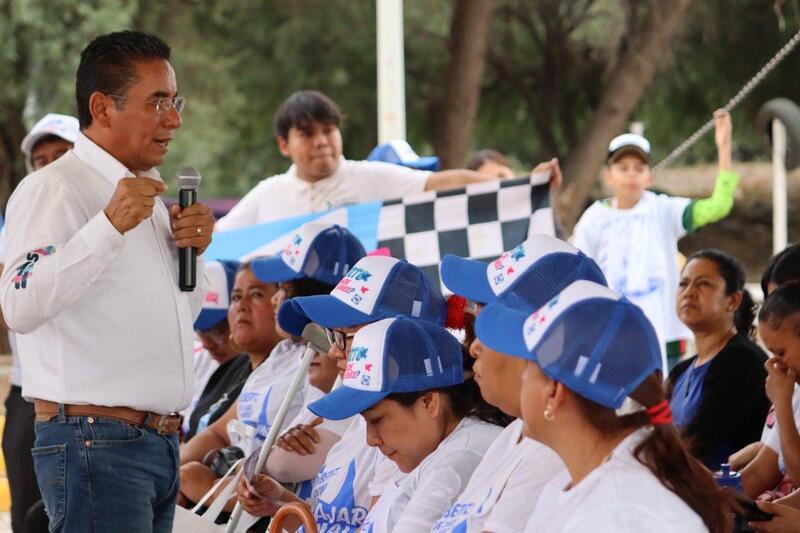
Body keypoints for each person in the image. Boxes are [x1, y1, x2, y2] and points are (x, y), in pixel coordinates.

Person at [0, 31, 215, 532]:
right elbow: (18, 304)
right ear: (103, 107)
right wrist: (107, 228)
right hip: (94, 442)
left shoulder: (149, 197)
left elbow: (179, 320)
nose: (174, 120)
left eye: (175, 100)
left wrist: (193, 258)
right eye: (157, 102)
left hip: (155, 444)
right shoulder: (53, 188)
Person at [477, 280, 736, 532]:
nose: (522, 378)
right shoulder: (581, 483)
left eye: (529, 367)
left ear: (554, 392)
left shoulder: (618, 513)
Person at [234, 255, 448, 531]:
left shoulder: (410, 434)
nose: (334, 351)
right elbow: (331, 523)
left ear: (398, 336)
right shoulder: (363, 421)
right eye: (332, 335)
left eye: (345, 336)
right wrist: (280, 503)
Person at [179, 222, 365, 506]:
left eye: (285, 288)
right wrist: (180, 473)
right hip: (254, 501)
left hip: (275, 510)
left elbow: (284, 463)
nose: (276, 298)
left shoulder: (331, 360)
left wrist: (206, 484)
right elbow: (220, 431)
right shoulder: (285, 352)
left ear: (312, 294)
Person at [432, 233, 606, 532]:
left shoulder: (557, 454)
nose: (474, 346)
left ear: (538, 340)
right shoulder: (516, 433)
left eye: (490, 322)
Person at [573, 110, 738, 371]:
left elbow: (718, 206)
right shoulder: (594, 218)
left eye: (639, 168)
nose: (631, 174)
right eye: (623, 168)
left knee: (663, 404)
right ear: (608, 175)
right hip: (611, 334)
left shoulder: (664, 210)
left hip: (665, 332)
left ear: (649, 176)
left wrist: (724, 147)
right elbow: (578, 270)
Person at [215, 90, 503, 231]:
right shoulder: (268, 194)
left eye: (328, 130)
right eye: (307, 133)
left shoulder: (371, 177)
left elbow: (442, 183)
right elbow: (218, 239)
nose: (321, 141)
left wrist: (525, 185)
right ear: (283, 144)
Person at [0, 112, 79, 533]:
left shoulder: (103, 215)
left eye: (60, 153)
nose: (49, 165)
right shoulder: (19, 221)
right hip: (28, 395)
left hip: (86, 399)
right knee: (28, 517)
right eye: (41, 159)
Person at [667, 249, 770, 470]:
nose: (689, 292)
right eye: (683, 284)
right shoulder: (681, 371)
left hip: (729, 499)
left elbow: (697, 443)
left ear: (733, 300)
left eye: (703, 284)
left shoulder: (741, 361)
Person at [741, 283, 800, 500]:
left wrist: (782, 403)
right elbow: (761, 471)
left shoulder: (787, 395)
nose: (775, 363)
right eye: (771, 352)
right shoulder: (796, 393)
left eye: (781, 352)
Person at [184, 259, 250, 441]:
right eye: (200, 331)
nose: (206, 344)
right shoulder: (196, 360)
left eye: (217, 332)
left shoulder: (267, 369)